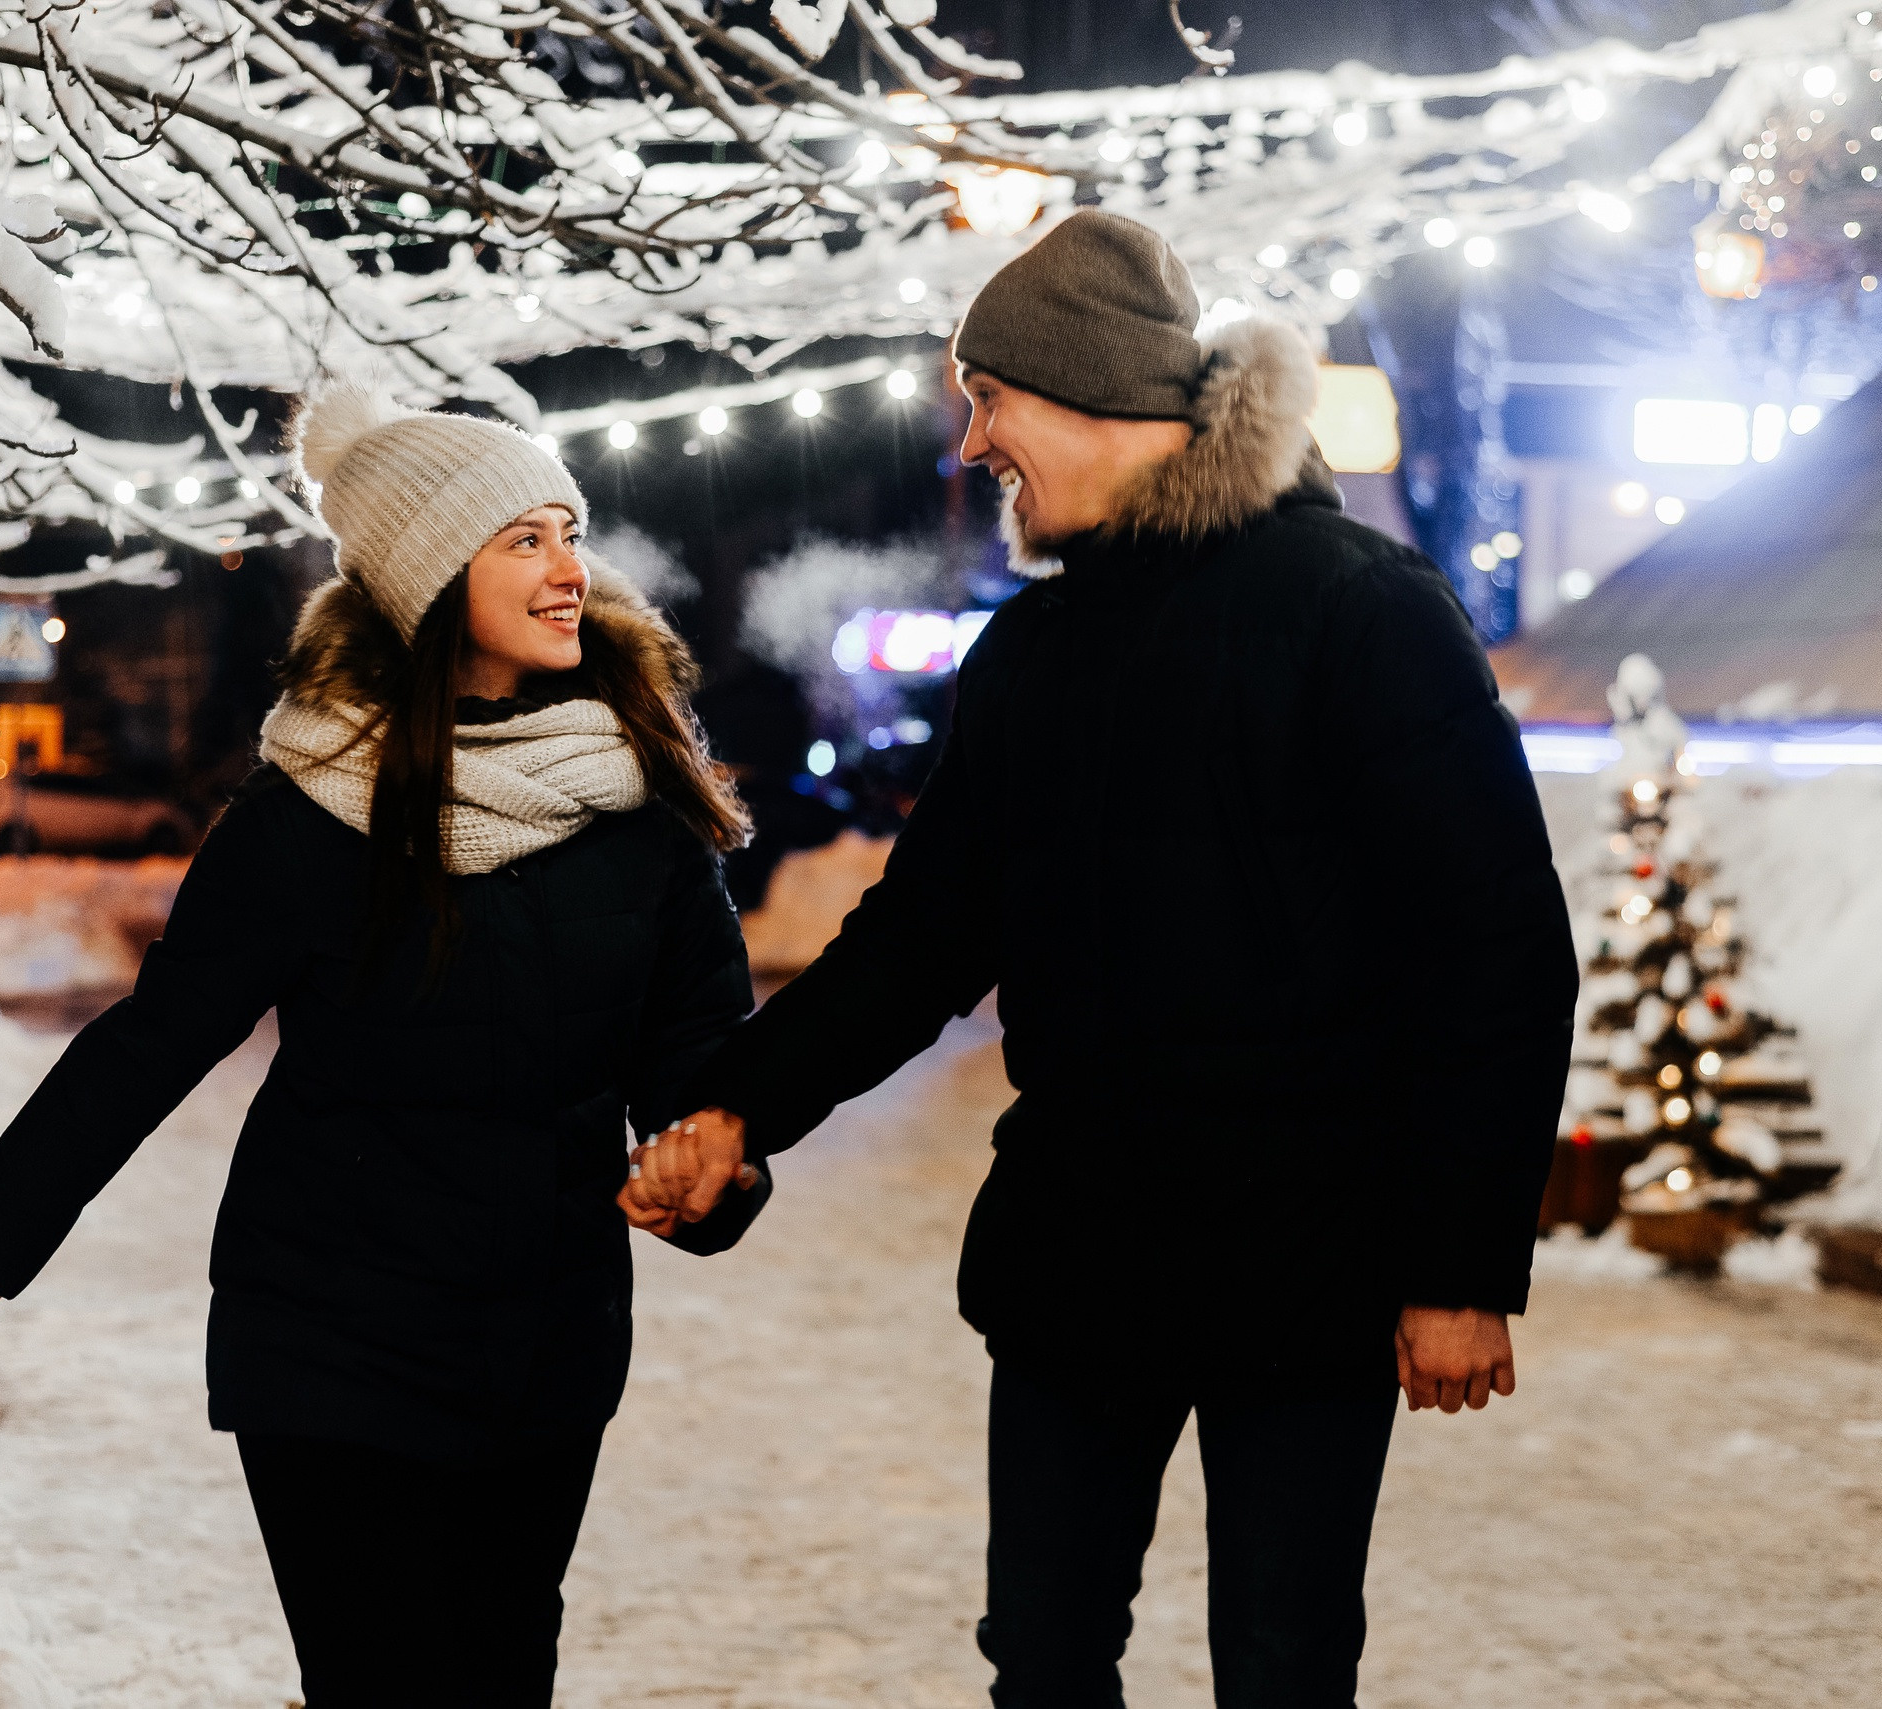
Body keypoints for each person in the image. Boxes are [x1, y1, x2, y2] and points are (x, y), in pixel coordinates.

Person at [625, 210, 1578, 1707]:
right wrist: (743, 1104)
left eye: (990, 398)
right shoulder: (1033, 656)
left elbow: (1498, 952)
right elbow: (922, 936)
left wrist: (1460, 1265)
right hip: (1084, 1252)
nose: (972, 442)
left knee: (1283, 1664)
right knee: (1047, 1657)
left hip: (1310, 1257)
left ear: (1090, 394)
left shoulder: (1361, 611)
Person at [0, 383, 766, 1707]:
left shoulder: (637, 798)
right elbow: (166, 1030)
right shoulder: (307, 812)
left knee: (501, 1672)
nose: (572, 570)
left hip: (543, 1335)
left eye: (571, 532)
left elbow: (697, 1045)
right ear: (438, 576)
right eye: (528, 539)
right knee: (381, 1679)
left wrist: (715, 1165)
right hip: (331, 1326)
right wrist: (13, 1210)